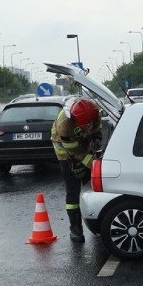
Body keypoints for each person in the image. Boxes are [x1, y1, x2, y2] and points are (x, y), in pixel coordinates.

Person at [50, 98, 102, 242]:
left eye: (89, 124)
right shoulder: (64, 125)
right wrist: (91, 164)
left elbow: (97, 130)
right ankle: (76, 229)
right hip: (66, 153)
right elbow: (75, 152)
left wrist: (96, 143)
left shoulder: (94, 111)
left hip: (83, 145)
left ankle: (98, 224)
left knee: (92, 187)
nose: (88, 127)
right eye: (85, 125)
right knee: (73, 190)